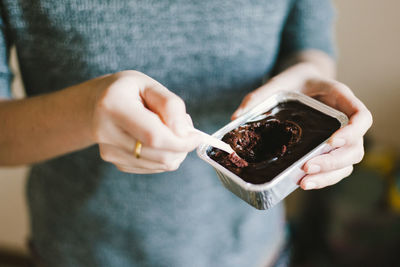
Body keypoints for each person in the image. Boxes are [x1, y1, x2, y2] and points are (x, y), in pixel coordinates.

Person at [0, 0, 372, 266]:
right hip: (80, 248)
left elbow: (310, 46)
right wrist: (87, 112)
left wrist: (307, 79)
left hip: (249, 249)